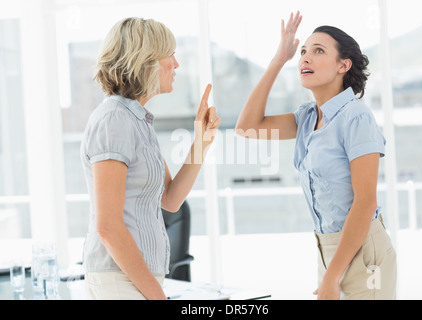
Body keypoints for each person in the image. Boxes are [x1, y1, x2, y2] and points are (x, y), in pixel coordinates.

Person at [235, 11, 396, 300]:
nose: (305, 58)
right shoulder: (308, 118)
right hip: (329, 250)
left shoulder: (356, 116)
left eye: (318, 51)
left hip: (363, 251)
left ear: (342, 65)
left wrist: (332, 276)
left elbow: (365, 201)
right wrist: (278, 59)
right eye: (303, 52)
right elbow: (247, 128)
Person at [80, 17, 221, 300]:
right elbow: (108, 226)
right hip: (118, 280)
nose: (176, 64)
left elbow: (170, 199)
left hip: (135, 279)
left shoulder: (137, 121)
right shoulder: (114, 120)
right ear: (144, 60)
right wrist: (158, 297)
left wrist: (202, 141)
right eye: (170, 54)